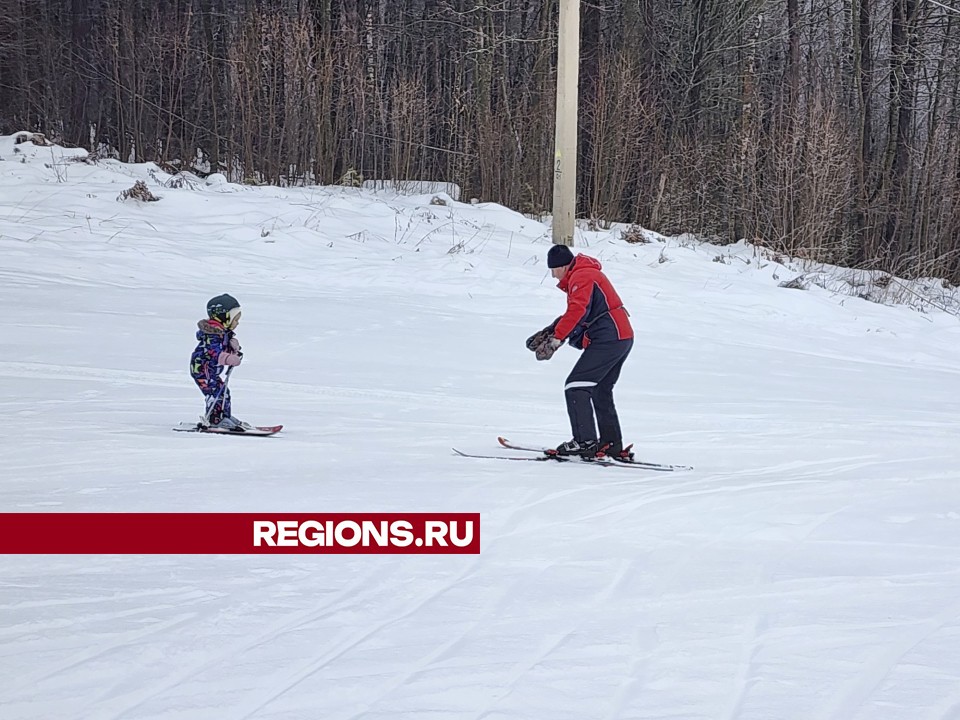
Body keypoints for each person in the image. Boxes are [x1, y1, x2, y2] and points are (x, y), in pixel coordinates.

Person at [526, 244, 634, 459]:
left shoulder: (582, 275)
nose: (554, 276)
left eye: (554, 270)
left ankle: (584, 442)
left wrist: (557, 339)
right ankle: (611, 444)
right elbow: (581, 312)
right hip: (621, 337)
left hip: (609, 337)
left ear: (563, 266)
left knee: (576, 386)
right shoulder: (586, 273)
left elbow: (578, 310)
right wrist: (553, 329)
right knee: (599, 390)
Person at [190, 294, 246, 429]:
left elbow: (223, 349)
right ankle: (215, 419)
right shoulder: (212, 335)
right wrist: (228, 358)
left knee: (223, 392)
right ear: (224, 316)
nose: (237, 323)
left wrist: (233, 349)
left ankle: (224, 416)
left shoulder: (222, 333)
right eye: (235, 319)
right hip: (202, 369)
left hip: (211, 370)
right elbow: (213, 352)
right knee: (215, 393)